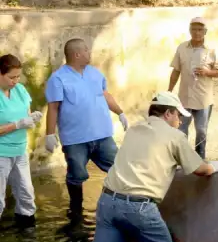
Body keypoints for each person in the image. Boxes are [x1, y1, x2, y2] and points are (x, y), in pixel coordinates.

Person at [61, 91, 218, 242]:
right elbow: (201, 170)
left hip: (107, 201)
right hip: (138, 207)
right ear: (168, 113)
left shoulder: (134, 130)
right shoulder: (174, 136)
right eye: (179, 116)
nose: (180, 121)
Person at [44, 38, 128, 221]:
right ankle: (76, 210)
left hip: (102, 135)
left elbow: (105, 94)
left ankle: (123, 205)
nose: (90, 53)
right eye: (86, 50)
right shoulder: (58, 78)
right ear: (77, 54)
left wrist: (120, 113)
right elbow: (53, 107)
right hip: (75, 139)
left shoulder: (95, 73)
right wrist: (49, 134)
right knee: (77, 175)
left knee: (119, 168)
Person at [168, 17, 218, 160]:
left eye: (200, 30)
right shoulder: (182, 48)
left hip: (203, 99)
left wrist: (207, 72)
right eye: (194, 29)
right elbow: (176, 71)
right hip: (184, 98)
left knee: (201, 131)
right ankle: (183, 159)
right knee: (181, 130)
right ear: (189, 30)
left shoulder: (212, 50)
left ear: (205, 32)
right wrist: (169, 91)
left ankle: (199, 159)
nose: (197, 32)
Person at [0, 54, 43, 229]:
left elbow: (26, 112)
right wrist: (17, 124)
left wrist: (31, 118)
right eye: (11, 77)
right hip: (1, 153)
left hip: (20, 150)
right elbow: (17, 123)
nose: (15, 81)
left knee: (27, 194)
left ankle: (26, 234)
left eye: (18, 76)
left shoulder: (20, 90)